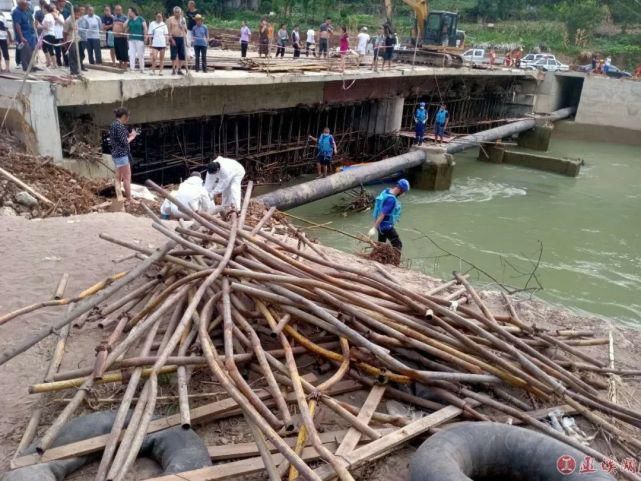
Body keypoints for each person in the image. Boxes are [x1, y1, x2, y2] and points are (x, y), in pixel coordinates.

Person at [369, 179, 409, 252]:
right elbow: (382, 215)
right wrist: (374, 228)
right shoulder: (391, 200)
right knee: (398, 244)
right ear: (401, 190)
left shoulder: (386, 191)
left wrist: (376, 227)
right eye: (404, 192)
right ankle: (395, 263)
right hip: (385, 227)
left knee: (381, 244)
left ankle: (375, 257)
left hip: (380, 226)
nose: (403, 194)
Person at [109, 107, 137, 202]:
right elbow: (125, 142)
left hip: (116, 154)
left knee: (118, 177)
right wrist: (132, 137)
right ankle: (129, 198)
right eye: (127, 117)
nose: (128, 119)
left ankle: (119, 196)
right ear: (124, 116)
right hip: (122, 155)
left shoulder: (113, 125)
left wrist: (129, 135)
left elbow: (119, 138)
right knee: (127, 177)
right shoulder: (120, 126)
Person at [12, 0, 37, 72]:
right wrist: (21, 37)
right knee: (25, 52)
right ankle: (26, 67)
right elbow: (17, 25)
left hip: (28, 34)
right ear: (21, 5)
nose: (27, 7)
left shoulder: (24, 11)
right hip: (23, 35)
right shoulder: (17, 12)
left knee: (30, 51)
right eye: (26, 6)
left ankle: (31, 66)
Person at [62, 6, 85, 74]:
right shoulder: (68, 20)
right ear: (73, 13)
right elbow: (64, 32)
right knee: (73, 55)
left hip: (76, 39)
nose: (78, 16)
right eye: (77, 14)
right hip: (70, 40)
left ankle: (77, 69)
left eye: (79, 14)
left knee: (79, 55)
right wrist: (65, 42)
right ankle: (73, 71)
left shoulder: (76, 20)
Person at [124, 7, 146, 73]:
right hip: (131, 39)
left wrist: (145, 36)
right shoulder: (130, 20)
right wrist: (128, 18)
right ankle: (132, 68)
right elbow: (124, 26)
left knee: (140, 54)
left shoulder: (140, 18)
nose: (128, 13)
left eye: (129, 11)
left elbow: (145, 27)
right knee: (131, 54)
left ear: (133, 12)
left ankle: (142, 69)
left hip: (140, 39)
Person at [167, 6, 186, 75]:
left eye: (178, 12)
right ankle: (173, 69)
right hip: (173, 38)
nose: (177, 13)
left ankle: (179, 69)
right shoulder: (170, 19)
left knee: (181, 55)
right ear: (174, 12)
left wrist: (182, 26)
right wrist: (171, 39)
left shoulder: (183, 19)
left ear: (180, 13)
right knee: (173, 55)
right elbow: (169, 30)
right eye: (176, 12)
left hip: (181, 38)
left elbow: (185, 30)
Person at [41, 4, 57, 68]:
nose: (42, 10)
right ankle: (48, 62)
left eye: (42, 8)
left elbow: (46, 26)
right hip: (48, 34)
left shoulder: (47, 15)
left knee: (50, 49)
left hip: (49, 34)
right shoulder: (49, 15)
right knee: (44, 48)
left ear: (45, 9)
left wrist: (39, 26)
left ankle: (54, 64)